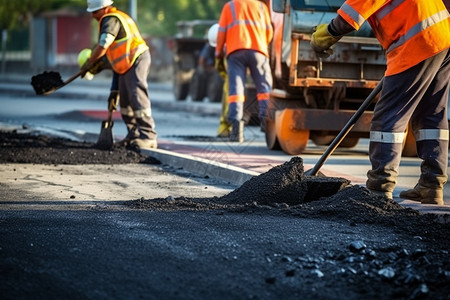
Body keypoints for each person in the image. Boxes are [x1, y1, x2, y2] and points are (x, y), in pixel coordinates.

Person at [310, 0, 450, 205]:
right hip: (442, 38)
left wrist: (329, 33)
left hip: (416, 41)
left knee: (388, 119)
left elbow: (353, 12)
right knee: (431, 115)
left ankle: (380, 188)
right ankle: (432, 185)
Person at [81, 0, 157, 150]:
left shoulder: (111, 19)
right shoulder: (109, 19)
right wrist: (114, 91)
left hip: (137, 58)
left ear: (104, 8)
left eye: (95, 12)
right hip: (126, 64)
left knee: (136, 93)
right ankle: (134, 133)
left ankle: (148, 136)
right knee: (125, 100)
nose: (93, 16)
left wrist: (90, 62)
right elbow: (116, 61)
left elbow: (103, 45)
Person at [215, 0, 273, 142]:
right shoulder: (261, 7)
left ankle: (236, 132)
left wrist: (218, 53)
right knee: (265, 90)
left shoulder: (230, 6)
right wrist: (261, 45)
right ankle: (268, 125)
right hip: (259, 51)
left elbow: (221, 32)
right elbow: (269, 32)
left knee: (236, 91)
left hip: (236, 51)